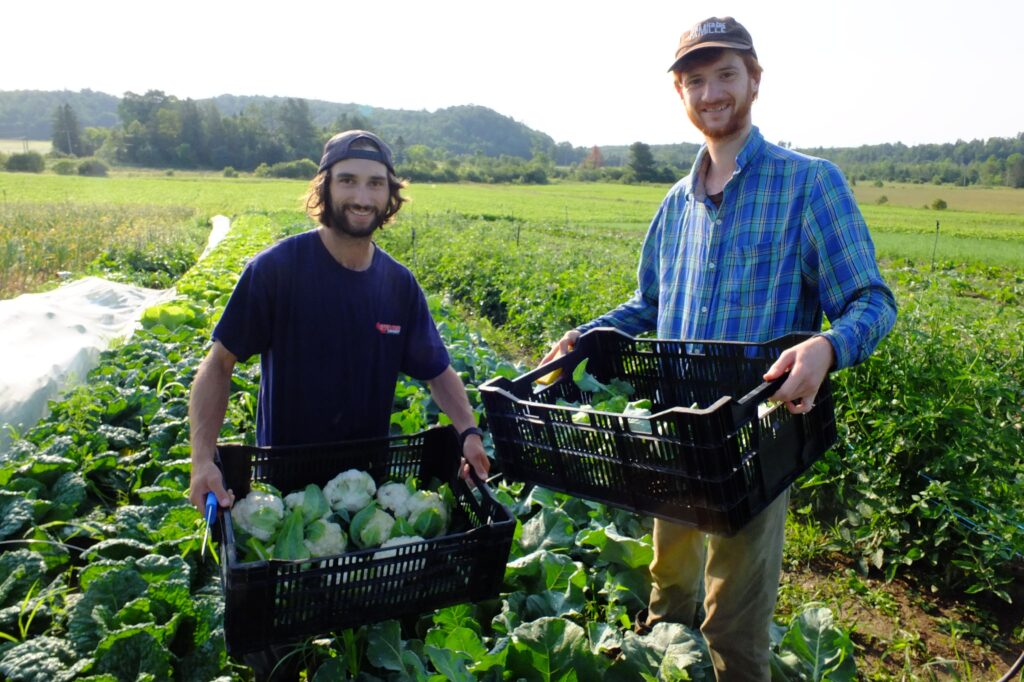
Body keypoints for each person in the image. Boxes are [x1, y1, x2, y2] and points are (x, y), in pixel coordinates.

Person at [544, 17, 897, 681]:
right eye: (695, 80)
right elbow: (647, 305)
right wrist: (589, 334)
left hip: (753, 442)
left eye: (725, 74)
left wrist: (826, 345)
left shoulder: (809, 184)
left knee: (734, 627)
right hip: (673, 435)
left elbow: (872, 303)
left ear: (754, 80)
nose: (711, 93)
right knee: (668, 598)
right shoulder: (676, 203)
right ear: (681, 94)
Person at [187, 130, 488, 680]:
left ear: (391, 195)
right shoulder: (277, 269)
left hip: (366, 489)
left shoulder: (398, 285)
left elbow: (438, 372)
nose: (362, 196)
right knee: (278, 639)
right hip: (282, 485)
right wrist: (203, 459)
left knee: (363, 623)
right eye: (348, 180)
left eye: (376, 184)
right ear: (323, 187)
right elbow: (218, 364)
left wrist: (468, 431)